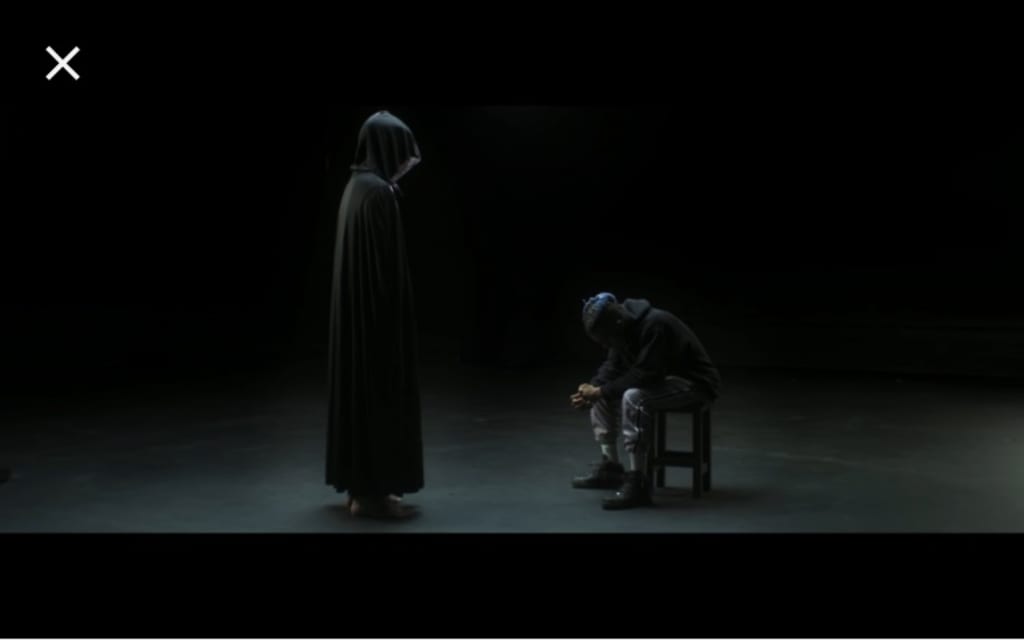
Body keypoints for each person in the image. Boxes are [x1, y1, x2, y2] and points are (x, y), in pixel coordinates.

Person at [326, 111, 423, 519]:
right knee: (379, 394)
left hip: (358, 321)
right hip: (376, 322)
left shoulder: (355, 187)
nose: (405, 163)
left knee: (361, 394)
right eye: (401, 153)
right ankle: (372, 495)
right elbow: (386, 271)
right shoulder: (379, 193)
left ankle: (361, 488)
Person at [570, 292, 721, 509]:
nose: (605, 346)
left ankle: (638, 482)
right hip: (664, 380)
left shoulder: (655, 324)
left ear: (618, 323)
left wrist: (600, 391)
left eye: (606, 340)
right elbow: (612, 368)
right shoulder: (621, 328)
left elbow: (646, 374)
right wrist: (590, 390)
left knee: (634, 397)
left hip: (694, 384)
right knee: (601, 394)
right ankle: (611, 468)